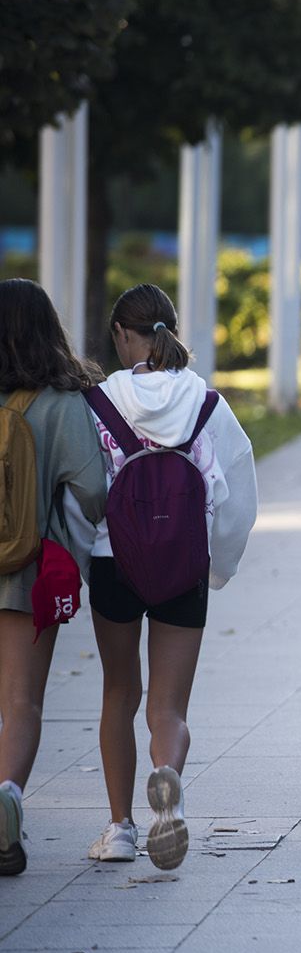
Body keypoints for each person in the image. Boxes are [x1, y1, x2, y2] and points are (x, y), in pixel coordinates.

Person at [85, 284, 258, 869]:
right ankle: (168, 782)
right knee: (169, 708)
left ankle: (119, 829)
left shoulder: (100, 399)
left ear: (120, 334)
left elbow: (81, 487)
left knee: (118, 692)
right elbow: (239, 491)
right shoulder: (207, 403)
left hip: (114, 561)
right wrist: (219, 563)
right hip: (183, 562)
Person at [0, 280, 109, 877]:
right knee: (22, 702)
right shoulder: (64, 403)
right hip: (26, 572)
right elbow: (93, 488)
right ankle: (7, 800)